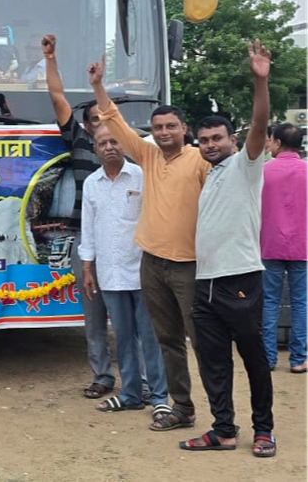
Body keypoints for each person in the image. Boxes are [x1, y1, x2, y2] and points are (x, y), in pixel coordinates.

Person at [89, 56, 211, 431]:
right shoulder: (148, 155)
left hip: (189, 264)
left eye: (171, 126)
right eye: (157, 127)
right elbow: (115, 122)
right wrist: (98, 86)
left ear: (184, 128)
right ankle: (163, 402)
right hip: (151, 264)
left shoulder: (200, 160)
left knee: (197, 340)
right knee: (158, 338)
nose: (163, 132)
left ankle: (209, 413)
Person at [180, 40, 276, 457]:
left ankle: (264, 430)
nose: (209, 144)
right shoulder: (211, 174)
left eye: (217, 138)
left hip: (240, 279)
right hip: (205, 283)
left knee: (253, 358)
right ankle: (223, 431)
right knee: (213, 361)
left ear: (232, 140)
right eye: (203, 139)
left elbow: (260, 123)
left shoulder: (245, 165)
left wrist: (260, 82)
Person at [41, 34, 115, 400]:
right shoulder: (80, 143)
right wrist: (50, 59)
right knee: (94, 315)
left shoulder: (133, 152)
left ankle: (142, 380)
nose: (103, 127)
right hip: (87, 242)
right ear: (86, 126)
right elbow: (58, 98)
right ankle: (102, 376)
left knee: (132, 315)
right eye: (95, 121)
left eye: (106, 118)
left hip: (125, 242)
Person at [79, 126, 169, 418]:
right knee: (123, 336)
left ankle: (159, 396)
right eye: (102, 143)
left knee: (151, 336)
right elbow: (88, 229)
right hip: (109, 272)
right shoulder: (92, 183)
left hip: (144, 271)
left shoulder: (142, 176)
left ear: (125, 145)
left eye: (114, 141)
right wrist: (87, 267)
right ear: (95, 149)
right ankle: (130, 394)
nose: (109, 147)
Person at [261, 122, 308, 373]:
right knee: (302, 303)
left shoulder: (263, 172)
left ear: (277, 143)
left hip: (270, 244)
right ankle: (298, 358)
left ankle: (268, 358)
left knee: (269, 302)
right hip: (303, 245)